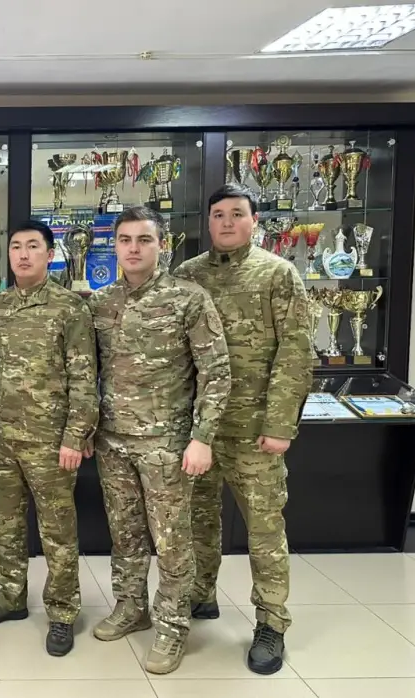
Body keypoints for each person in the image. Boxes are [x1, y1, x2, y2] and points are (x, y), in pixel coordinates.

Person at [173, 184, 313, 675]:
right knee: (197, 520)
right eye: (218, 214)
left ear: (254, 220)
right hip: (199, 430)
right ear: (208, 221)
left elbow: (296, 352)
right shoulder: (187, 275)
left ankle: (271, 621)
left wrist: (280, 424)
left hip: (254, 429)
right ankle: (201, 591)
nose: (227, 222)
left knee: (264, 528)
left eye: (237, 213)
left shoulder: (278, 274)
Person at [86, 206, 231, 674]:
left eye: (144, 240)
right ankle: (131, 607)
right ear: (115, 246)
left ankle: (172, 625)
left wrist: (202, 437)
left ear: (161, 245)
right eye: (125, 240)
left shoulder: (188, 299)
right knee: (125, 534)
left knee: (171, 540)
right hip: (113, 442)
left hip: (167, 444)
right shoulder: (101, 302)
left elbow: (215, 373)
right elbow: (88, 373)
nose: (133, 248)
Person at [0, 220, 99, 657]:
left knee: (57, 528)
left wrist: (75, 435)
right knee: (4, 523)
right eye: (16, 247)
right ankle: (11, 596)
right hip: (1, 436)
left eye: (33, 247)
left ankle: (62, 611)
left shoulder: (69, 308)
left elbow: (84, 377)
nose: (23, 255)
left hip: (50, 440)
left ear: (49, 254)